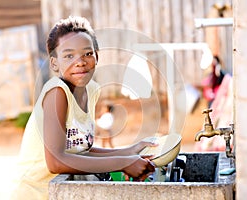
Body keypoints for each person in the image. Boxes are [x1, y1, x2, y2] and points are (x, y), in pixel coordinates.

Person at [11, 16, 156, 199]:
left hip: (63, 192)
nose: (80, 62)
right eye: (69, 55)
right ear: (54, 63)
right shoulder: (57, 92)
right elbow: (55, 162)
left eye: (87, 54)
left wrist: (130, 151)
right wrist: (122, 162)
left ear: (97, 56)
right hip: (35, 193)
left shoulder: (91, 90)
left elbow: (80, 150)